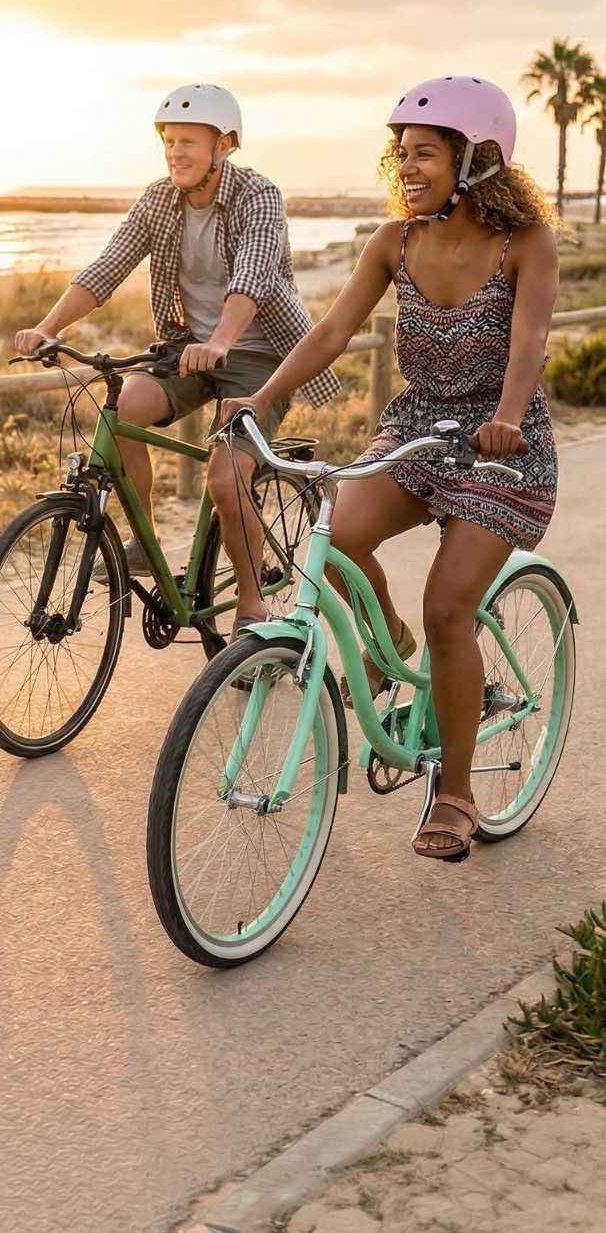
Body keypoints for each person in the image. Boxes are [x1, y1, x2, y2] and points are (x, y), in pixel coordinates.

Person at [238, 76, 559, 863]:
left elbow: (529, 341)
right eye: (401, 154)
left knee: (451, 605)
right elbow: (333, 330)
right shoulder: (396, 240)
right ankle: (394, 643)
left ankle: (454, 793)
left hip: (503, 443)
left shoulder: (527, 243)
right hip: (418, 426)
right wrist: (259, 400)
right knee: (334, 538)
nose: (407, 167)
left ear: (476, 158)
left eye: (424, 153)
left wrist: (509, 416)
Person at [14, 84, 341, 627]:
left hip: (260, 353)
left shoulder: (258, 195)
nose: (176, 153)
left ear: (225, 145)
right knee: (119, 414)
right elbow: (108, 267)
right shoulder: (158, 199)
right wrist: (46, 327)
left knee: (224, 478)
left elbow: (252, 277)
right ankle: (147, 541)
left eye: (189, 141)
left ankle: (253, 605)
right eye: (169, 141)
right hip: (187, 348)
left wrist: (222, 341)